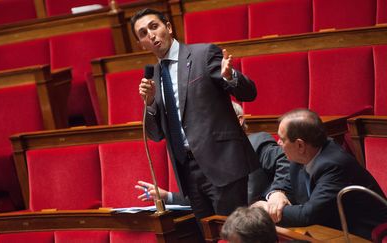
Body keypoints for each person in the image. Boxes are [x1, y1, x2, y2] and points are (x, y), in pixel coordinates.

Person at [133, 8, 258, 221]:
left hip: (222, 165)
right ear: (141, 43)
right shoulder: (153, 75)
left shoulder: (203, 54)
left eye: (154, 26)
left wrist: (230, 76)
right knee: (207, 237)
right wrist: (151, 102)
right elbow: (155, 135)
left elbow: (249, 93)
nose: (151, 35)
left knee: (234, 235)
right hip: (188, 173)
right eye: (143, 33)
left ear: (169, 27)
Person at [252, 108, 387, 239]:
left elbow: (309, 215)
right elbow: (288, 183)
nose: (278, 142)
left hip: (361, 233)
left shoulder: (334, 165)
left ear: (300, 145)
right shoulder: (303, 153)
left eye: (282, 138)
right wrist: (278, 192)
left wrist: (265, 210)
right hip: (328, 225)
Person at [136, 102, 289, 205]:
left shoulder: (258, 141)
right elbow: (207, 198)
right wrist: (167, 196)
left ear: (239, 120)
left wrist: (276, 192)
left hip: (255, 222)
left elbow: (286, 162)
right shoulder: (213, 157)